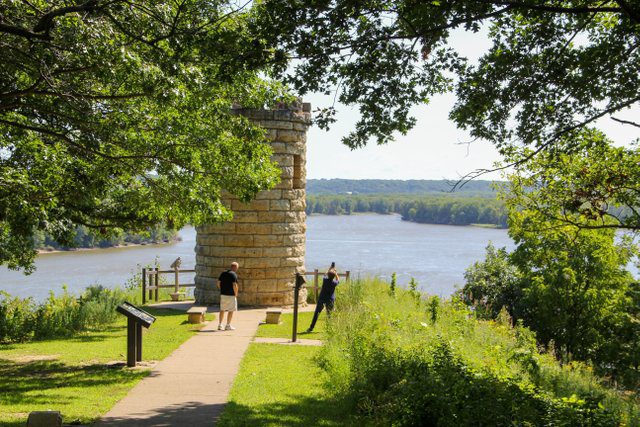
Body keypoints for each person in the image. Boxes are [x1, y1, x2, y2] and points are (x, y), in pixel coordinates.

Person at [306, 267, 339, 333]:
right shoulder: (334, 283)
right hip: (330, 300)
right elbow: (338, 280)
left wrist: (329, 270)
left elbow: (325, 274)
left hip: (322, 299)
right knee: (329, 314)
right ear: (333, 276)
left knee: (316, 314)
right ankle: (329, 329)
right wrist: (336, 273)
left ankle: (311, 328)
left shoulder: (325, 280)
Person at [217, 262, 239, 331]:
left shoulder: (223, 273)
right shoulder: (234, 274)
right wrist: (236, 293)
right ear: (235, 267)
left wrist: (221, 289)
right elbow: (235, 285)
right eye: (237, 268)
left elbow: (218, 282)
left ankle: (220, 325)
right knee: (231, 310)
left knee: (222, 309)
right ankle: (228, 325)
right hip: (231, 295)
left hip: (223, 294)